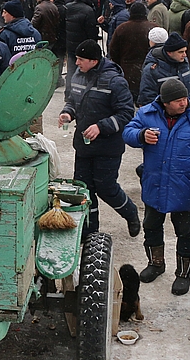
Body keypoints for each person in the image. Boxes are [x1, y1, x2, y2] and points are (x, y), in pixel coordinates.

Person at [123, 77, 190, 295]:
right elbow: (127, 132)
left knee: (185, 232)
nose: (183, 103)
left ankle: (183, 274)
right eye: (177, 101)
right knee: (151, 226)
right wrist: (140, 135)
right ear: (165, 102)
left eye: (185, 99)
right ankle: (156, 264)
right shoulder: (147, 114)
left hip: (181, 187)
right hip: (154, 185)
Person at [58, 40, 138, 236]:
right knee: (84, 189)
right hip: (84, 145)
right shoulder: (77, 75)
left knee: (105, 188)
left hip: (108, 147)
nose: (76, 63)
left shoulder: (115, 82)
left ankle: (130, 212)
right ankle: (90, 231)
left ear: (94, 61)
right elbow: (73, 100)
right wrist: (68, 113)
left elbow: (127, 113)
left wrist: (101, 127)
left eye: (80, 59)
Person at [108, 2, 155, 103]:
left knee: (128, 101)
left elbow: (113, 50)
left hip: (127, 71)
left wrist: (119, 63)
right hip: (149, 71)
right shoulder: (153, 28)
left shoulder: (122, 28)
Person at [137, 32, 190, 106]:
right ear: (169, 53)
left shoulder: (184, 63)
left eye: (185, 51)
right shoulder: (152, 69)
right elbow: (147, 96)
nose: (184, 55)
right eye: (180, 52)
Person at [64, 0, 100, 97]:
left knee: (71, 68)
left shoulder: (68, 7)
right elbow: (91, 30)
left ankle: (68, 92)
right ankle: (81, 91)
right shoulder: (88, 10)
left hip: (70, 43)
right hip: (83, 44)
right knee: (84, 69)